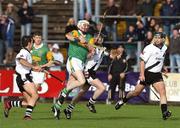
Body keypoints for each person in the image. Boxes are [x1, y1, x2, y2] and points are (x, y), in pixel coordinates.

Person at [115, 32, 172, 120]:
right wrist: (141, 74)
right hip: (147, 74)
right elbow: (142, 61)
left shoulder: (164, 48)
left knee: (163, 92)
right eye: (155, 37)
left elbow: (160, 58)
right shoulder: (149, 48)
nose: (157, 39)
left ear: (163, 39)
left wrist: (163, 67)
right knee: (136, 92)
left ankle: (164, 112)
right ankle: (123, 101)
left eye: (159, 38)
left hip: (157, 75)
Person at [51, 20, 94, 120]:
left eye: (87, 25)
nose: (86, 26)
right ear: (79, 25)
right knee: (82, 81)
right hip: (73, 60)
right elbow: (68, 36)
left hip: (81, 62)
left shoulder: (90, 38)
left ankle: (57, 106)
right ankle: (58, 103)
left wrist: (90, 50)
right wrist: (79, 39)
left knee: (69, 88)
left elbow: (90, 50)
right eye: (84, 25)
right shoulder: (75, 32)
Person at [63, 35, 107, 119]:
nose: (99, 39)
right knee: (102, 88)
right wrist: (90, 54)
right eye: (97, 37)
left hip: (92, 72)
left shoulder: (102, 48)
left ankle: (69, 109)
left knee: (81, 93)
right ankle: (90, 103)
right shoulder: (90, 46)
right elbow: (85, 56)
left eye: (101, 38)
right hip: (87, 71)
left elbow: (111, 54)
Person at [4, 36, 41, 120]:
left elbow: (26, 64)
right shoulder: (24, 51)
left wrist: (36, 67)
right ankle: (27, 116)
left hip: (22, 77)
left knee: (31, 103)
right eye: (32, 42)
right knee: (35, 95)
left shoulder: (27, 52)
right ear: (29, 43)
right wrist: (33, 66)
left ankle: (10, 104)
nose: (33, 44)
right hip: (24, 77)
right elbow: (21, 60)